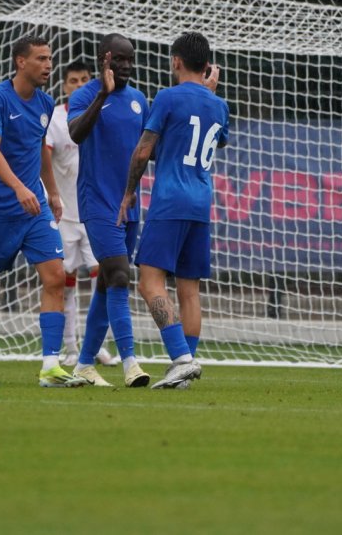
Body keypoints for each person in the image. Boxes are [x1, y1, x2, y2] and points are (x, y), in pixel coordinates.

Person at [0, 34, 87, 388]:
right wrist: (19, 187)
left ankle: (50, 366)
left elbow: (39, 152)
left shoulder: (46, 103)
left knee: (55, 277)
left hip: (34, 208)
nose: (48, 65)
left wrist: (51, 192)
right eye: (41, 59)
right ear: (21, 62)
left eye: (50, 58)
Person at [118, 31, 228, 389]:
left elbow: (142, 150)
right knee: (189, 290)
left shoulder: (167, 97)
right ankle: (185, 374)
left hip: (169, 199)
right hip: (201, 200)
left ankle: (181, 358)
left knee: (150, 283)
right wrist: (208, 95)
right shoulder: (218, 104)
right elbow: (214, 136)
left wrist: (129, 192)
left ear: (177, 62)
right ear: (206, 65)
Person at [67, 34, 151, 388]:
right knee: (118, 275)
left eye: (131, 60)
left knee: (107, 281)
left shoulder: (138, 100)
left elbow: (148, 149)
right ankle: (131, 362)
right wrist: (101, 93)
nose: (127, 66)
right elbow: (75, 134)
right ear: (106, 60)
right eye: (120, 59)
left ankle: (85, 363)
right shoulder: (85, 95)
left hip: (129, 204)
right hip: (97, 202)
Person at [44, 60, 117, 368]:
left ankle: (96, 346)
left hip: (96, 213)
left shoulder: (102, 112)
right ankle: (72, 348)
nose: (78, 85)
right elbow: (44, 157)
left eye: (84, 79)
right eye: (72, 80)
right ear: (64, 85)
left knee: (108, 280)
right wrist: (51, 195)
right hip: (64, 216)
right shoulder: (56, 120)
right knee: (64, 283)